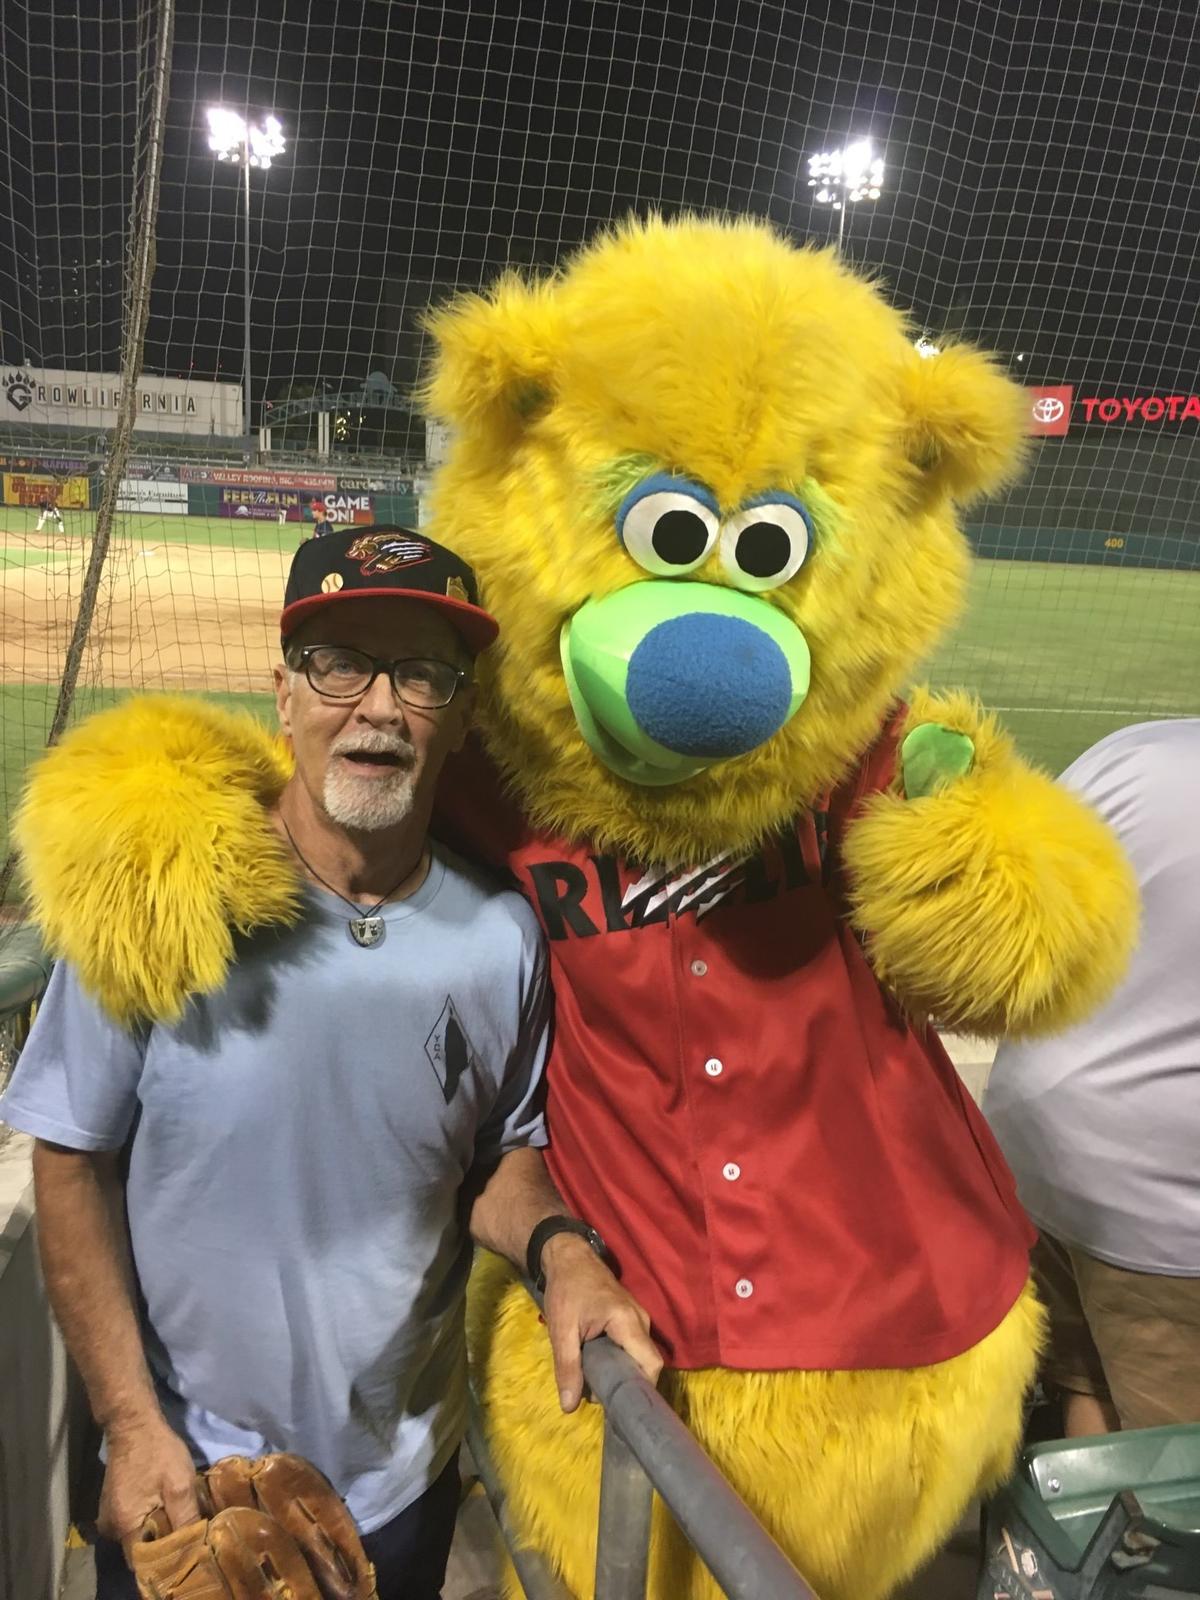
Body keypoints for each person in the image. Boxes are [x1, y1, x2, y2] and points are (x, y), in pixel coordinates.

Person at [0, 528, 662, 1600]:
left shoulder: (502, 934)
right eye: (341, 663)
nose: (382, 705)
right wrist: (129, 1424)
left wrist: (562, 1250)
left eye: (424, 675)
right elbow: (72, 1157)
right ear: (286, 695)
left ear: (461, 718)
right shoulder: (166, 888)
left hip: (401, 1483)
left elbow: (501, 1155)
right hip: (194, 1484)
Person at [984, 719, 1200, 1436]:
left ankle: (1075, 1546)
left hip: (1036, 1145)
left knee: (1084, 1381)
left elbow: (1018, 932)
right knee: (1172, 1462)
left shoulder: (1135, 752)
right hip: (1165, 1209)